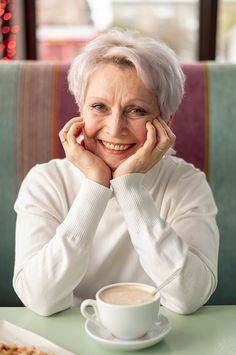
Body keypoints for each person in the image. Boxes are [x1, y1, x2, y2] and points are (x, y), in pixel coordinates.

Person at [13, 29, 219, 316]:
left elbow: (189, 296)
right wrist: (95, 187)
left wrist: (129, 187)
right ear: (81, 110)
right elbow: (40, 299)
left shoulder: (187, 184)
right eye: (99, 106)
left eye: (136, 110)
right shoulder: (45, 182)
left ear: (166, 120)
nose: (114, 128)